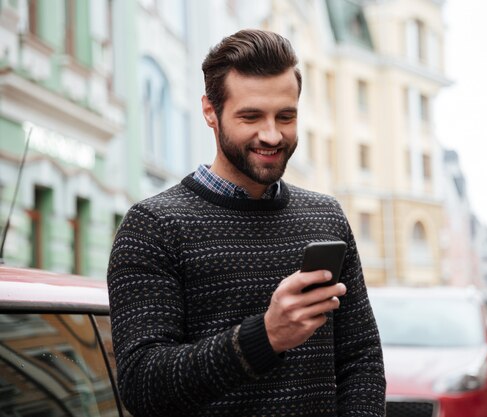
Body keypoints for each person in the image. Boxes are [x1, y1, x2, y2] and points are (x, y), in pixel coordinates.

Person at [107, 29, 386, 417]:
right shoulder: (154, 226)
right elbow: (142, 385)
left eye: (285, 116)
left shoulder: (326, 217)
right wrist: (266, 337)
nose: (272, 134)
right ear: (210, 111)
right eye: (251, 116)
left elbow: (361, 359)